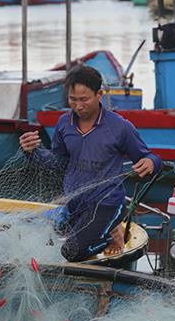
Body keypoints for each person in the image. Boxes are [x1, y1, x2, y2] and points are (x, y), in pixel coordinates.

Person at [19, 66, 161, 262]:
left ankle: (113, 233)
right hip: (75, 203)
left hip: (106, 204)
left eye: (84, 99)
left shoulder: (120, 127)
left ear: (99, 95)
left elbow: (150, 157)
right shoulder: (64, 123)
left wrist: (150, 162)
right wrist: (32, 152)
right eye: (72, 100)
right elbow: (57, 163)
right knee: (42, 232)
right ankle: (98, 233)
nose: (78, 106)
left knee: (71, 251)